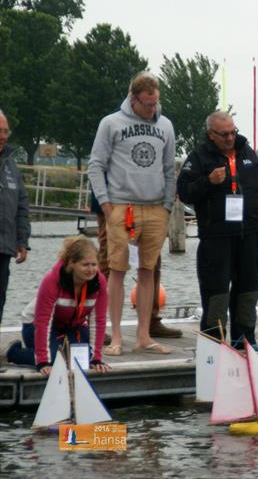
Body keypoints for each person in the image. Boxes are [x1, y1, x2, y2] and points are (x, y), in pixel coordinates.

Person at [87, 71, 176, 356]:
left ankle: (143, 335)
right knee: (117, 270)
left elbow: (168, 168)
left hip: (155, 207)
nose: (152, 109)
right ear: (133, 98)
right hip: (120, 206)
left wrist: (166, 206)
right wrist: (106, 204)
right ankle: (114, 337)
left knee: (148, 270)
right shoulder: (110, 123)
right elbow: (96, 165)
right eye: (146, 104)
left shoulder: (165, 125)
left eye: (155, 104)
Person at [178, 111, 258, 351]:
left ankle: (245, 339)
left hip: (248, 234)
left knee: (249, 287)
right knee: (217, 290)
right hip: (216, 235)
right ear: (211, 134)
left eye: (233, 132)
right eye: (224, 134)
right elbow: (185, 192)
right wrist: (208, 181)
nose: (230, 137)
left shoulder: (246, 152)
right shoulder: (199, 157)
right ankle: (213, 340)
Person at [6, 236, 110, 375]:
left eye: (94, 264)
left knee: (83, 358)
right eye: (85, 265)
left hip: (70, 326)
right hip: (35, 325)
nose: (91, 270)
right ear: (72, 264)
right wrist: (43, 361)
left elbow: (99, 321)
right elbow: (43, 322)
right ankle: (14, 352)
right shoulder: (52, 280)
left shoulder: (99, 281)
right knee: (57, 359)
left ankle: (53, 349)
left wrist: (96, 359)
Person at [91, 190, 181, 342]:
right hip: (113, 199)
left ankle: (151, 320)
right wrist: (105, 204)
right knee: (108, 260)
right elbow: (97, 168)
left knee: (151, 260)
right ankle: (94, 325)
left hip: (147, 202)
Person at [0, 109, 30, 346]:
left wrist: (22, 240)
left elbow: (21, 204)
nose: (3, 136)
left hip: (5, 246)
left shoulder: (11, 165)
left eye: (5, 131)